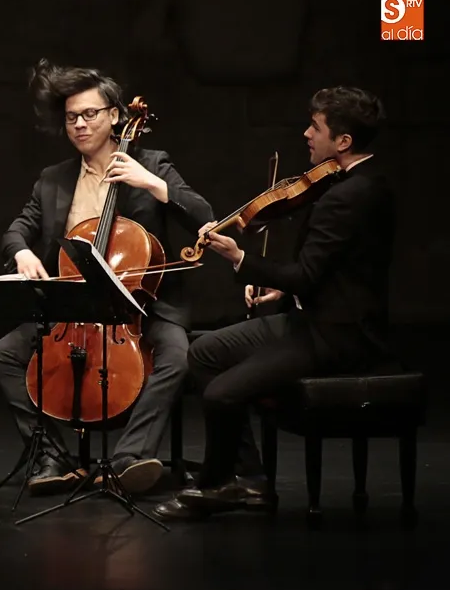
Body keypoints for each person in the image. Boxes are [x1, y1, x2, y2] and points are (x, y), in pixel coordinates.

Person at [154, 86, 395, 520]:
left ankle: (218, 484)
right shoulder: (359, 183)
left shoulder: (348, 195)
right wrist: (282, 291)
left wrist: (240, 259)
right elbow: (335, 268)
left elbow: (307, 274)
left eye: (315, 127)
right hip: (314, 317)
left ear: (343, 141)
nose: (306, 134)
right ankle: (249, 478)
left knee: (222, 393)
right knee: (204, 352)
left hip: (334, 335)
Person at [0, 59, 215, 496]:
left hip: (142, 304)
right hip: (74, 308)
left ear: (114, 115)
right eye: (72, 117)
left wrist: (153, 184)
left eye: (90, 114)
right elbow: (17, 229)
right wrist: (22, 252)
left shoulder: (151, 163)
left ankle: (129, 458)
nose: (80, 124)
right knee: (2, 356)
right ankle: (53, 455)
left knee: (177, 357)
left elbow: (204, 216)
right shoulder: (54, 180)